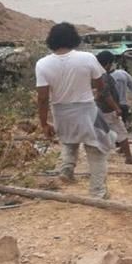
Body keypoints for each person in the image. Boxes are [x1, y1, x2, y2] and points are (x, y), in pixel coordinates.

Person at [35, 22, 111, 198]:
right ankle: (97, 191)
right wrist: (97, 93)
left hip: (60, 111)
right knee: (96, 150)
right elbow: (101, 83)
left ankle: (67, 170)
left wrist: (44, 123)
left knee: (69, 141)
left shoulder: (42, 64)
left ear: (52, 40)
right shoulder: (87, 58)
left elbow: (42, 98)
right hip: (86, 109)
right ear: (74, 38)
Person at [96, 51, 132, 164]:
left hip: (99, 109)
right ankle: (129, 158)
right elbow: (106, 94)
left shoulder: (95, 75)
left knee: (102, 131)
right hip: (111, 109)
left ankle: (103, 155)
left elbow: (98, 94)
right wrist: (116, 108)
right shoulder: (107, 76)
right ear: (109, 63)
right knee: (122, 131)